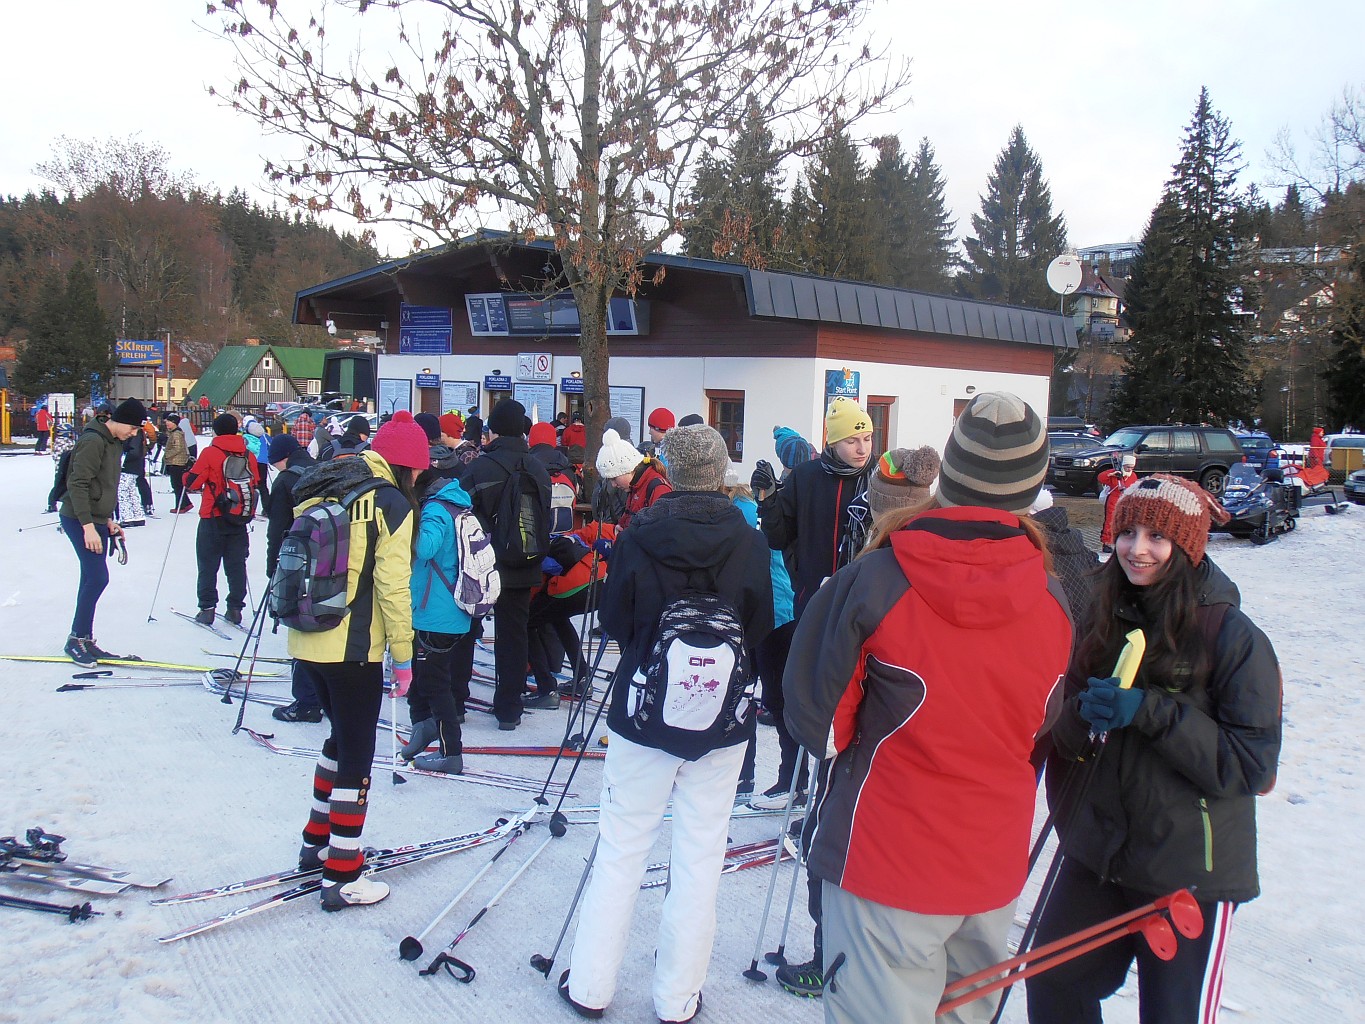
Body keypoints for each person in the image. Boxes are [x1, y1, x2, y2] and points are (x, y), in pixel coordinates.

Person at [784, 391, 1072, 1024]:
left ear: (951, 475)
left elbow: (821, 725)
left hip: (886, 860)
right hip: (990, 869)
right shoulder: (1054, 599)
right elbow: (1040, 731)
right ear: (1030, 490)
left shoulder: (876, 579)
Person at [1026, 475, 1283, 1024]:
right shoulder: (1098, 612)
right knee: (1051, 980)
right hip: (1099, 854)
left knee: (1171, 1014)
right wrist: (1080, 716)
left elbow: (1251, 765)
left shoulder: (1230, 636)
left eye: (1157, 537)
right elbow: (1062, 732)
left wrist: (1150, 711)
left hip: (1186, 870)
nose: (1136, 549)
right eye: (1128, 532)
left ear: (1187, 547)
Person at [560, 425, 773, 1024]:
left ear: (670, 471)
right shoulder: (749, 539)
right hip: (722, 718)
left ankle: (591, 987)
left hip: (643, 712)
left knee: (621, 849)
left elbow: (614, 619)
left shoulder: (640, 533)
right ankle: (678, 997)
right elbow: (759, 624)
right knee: (701, 857)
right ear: (722, 471)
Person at [289, 411, 425, 911]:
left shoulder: (328, 482)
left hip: (307, 637)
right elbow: (392, 586)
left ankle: (315, 844)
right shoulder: (390, 502)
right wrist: (405, 655)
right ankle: (343, 872)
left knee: (339, 739)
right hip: (352, 647)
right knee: (357, 755)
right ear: (408, 466)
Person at [460, 399, 552, 730]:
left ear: (495, 431)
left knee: (466, 630)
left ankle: (456, 701)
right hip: (524, 564)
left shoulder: (480, 467)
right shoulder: (538, 469)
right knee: (514, 636)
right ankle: (509, 709)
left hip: (481, 564)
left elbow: (461, 512)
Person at [399, 465, 478, 774]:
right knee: (421, 675)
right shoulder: (456, 505)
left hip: (437, 612)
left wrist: (406, 521)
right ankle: (422, 727)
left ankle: (451, 751)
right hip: (444, 608)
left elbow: (426, 547)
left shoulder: (435, 509)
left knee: (435, 683)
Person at [58, 399, 146, 666]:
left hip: (96, 518)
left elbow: (104, 484)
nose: (133, 433)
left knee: (90, 577)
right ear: (120, 421)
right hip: (78, 517)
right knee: (98, 578)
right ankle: (76, 639)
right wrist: (87, 527)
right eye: (132, 428)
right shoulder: (93, 441)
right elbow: (78, 483)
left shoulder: (113, 442)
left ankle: (84, 638)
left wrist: (107, 520)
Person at [264, 433, 323, 724]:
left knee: (301, 627)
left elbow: (277, 529)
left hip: (296, 562)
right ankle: (323, 696)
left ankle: (306, 701)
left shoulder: (285, 480)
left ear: (282, 458)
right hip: (331, 559)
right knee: (322, 626)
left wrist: (272, 566)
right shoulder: (321, 469)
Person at [185, 414, 258, 627]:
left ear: (216, 431)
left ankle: (207, 609)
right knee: (236, 565)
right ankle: (235, 609)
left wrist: (186, 474)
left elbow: (192, 483)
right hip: (239, 517)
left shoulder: (210, 452)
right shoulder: (247, 454)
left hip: (213, 516)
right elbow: (256, 481)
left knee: (208, 564)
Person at [597, 428, 671, 530]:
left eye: (614, 478)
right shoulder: (635, 486)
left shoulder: (657, 488)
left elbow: (660, 532)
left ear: (628, 469)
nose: (613, 484)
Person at [1097, 453, 1139, 553]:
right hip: (1114, 499)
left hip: (1126, 500)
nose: (1129, 469)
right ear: (1123, 465)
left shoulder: (1133, 476)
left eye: (1131, 467)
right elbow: (1101, 477)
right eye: (1128, 467)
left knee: (1125, 522)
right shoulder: (1115, 473)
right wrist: (1111, 474)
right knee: (1110, 521)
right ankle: (1107, 542)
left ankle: (1122, 541)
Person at [161, 413, 194, 513]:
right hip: (175, 461)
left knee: (177, 485)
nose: (167, 423)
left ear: (174, 423)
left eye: (169, 421)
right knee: (177, 484)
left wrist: (167, 454)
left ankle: (182, 506)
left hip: (177, 462)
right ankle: (185, 503)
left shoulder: (176, 434)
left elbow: (178, 448)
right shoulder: (174, 432)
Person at [242, 415, 271, 503]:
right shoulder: (263, 434)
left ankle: (250, 505)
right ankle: (267, 506)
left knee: (250, 484)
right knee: (263, 485)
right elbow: (270, 445)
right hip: (263, 462)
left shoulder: (245, 436)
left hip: (251, 462)